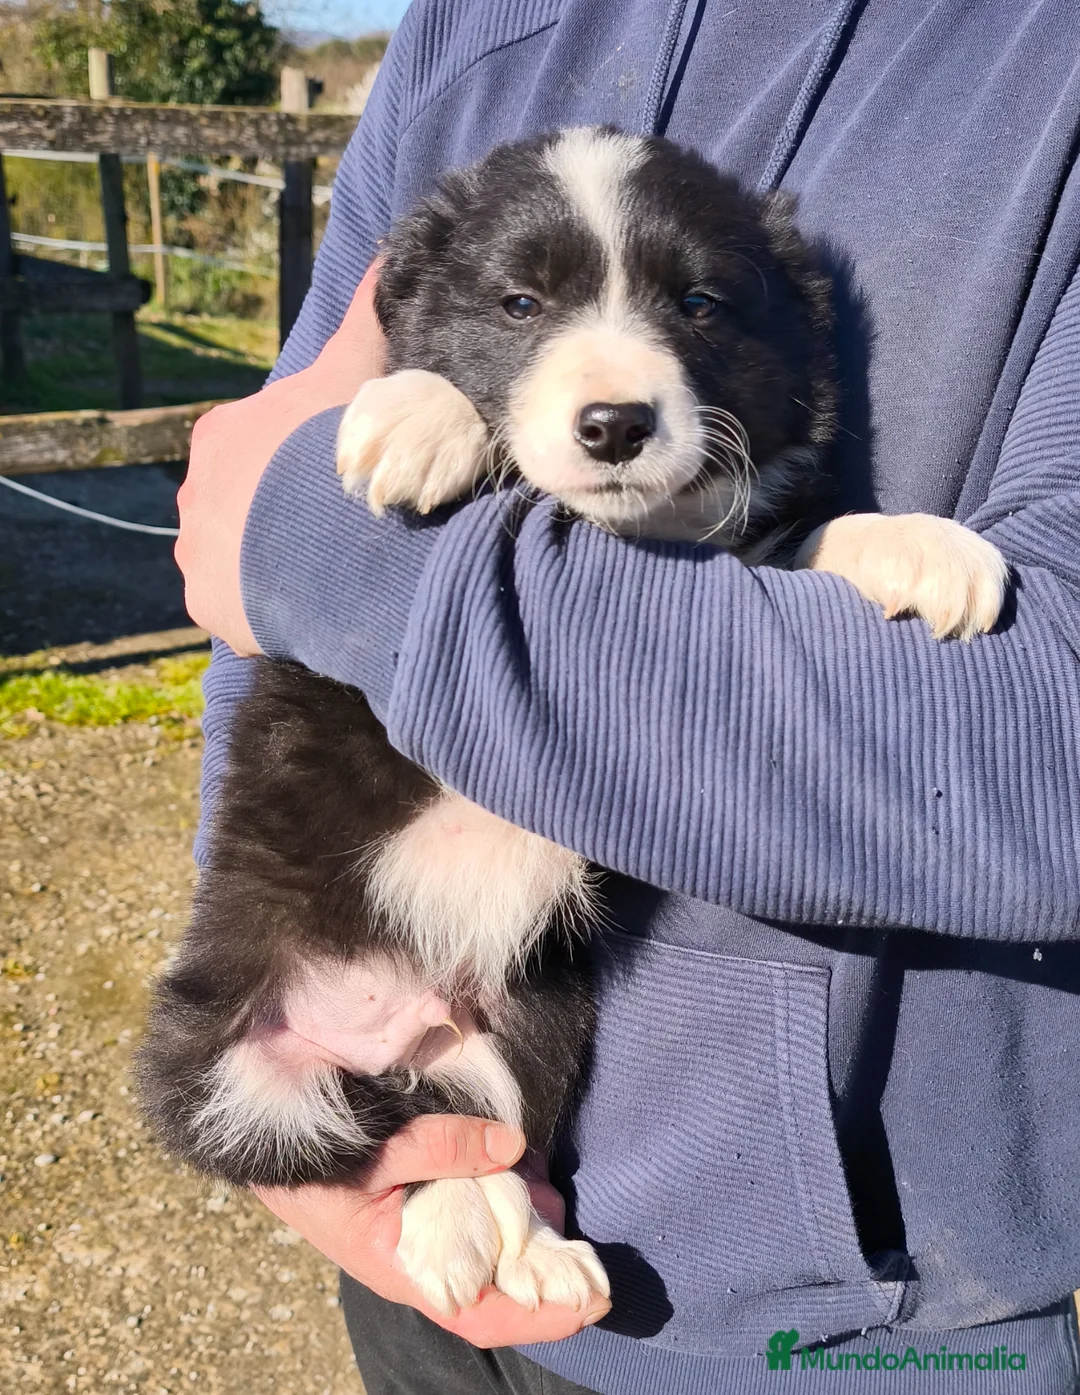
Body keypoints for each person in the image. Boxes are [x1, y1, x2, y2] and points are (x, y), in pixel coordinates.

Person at [175, 1, 1080, 1391]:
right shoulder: (477, 25)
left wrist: (320, 539)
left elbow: (283, 527)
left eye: (693, 304)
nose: (609, 375)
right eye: (527, 303)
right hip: (431, 1232)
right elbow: (273, 518)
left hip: (852, 1334)